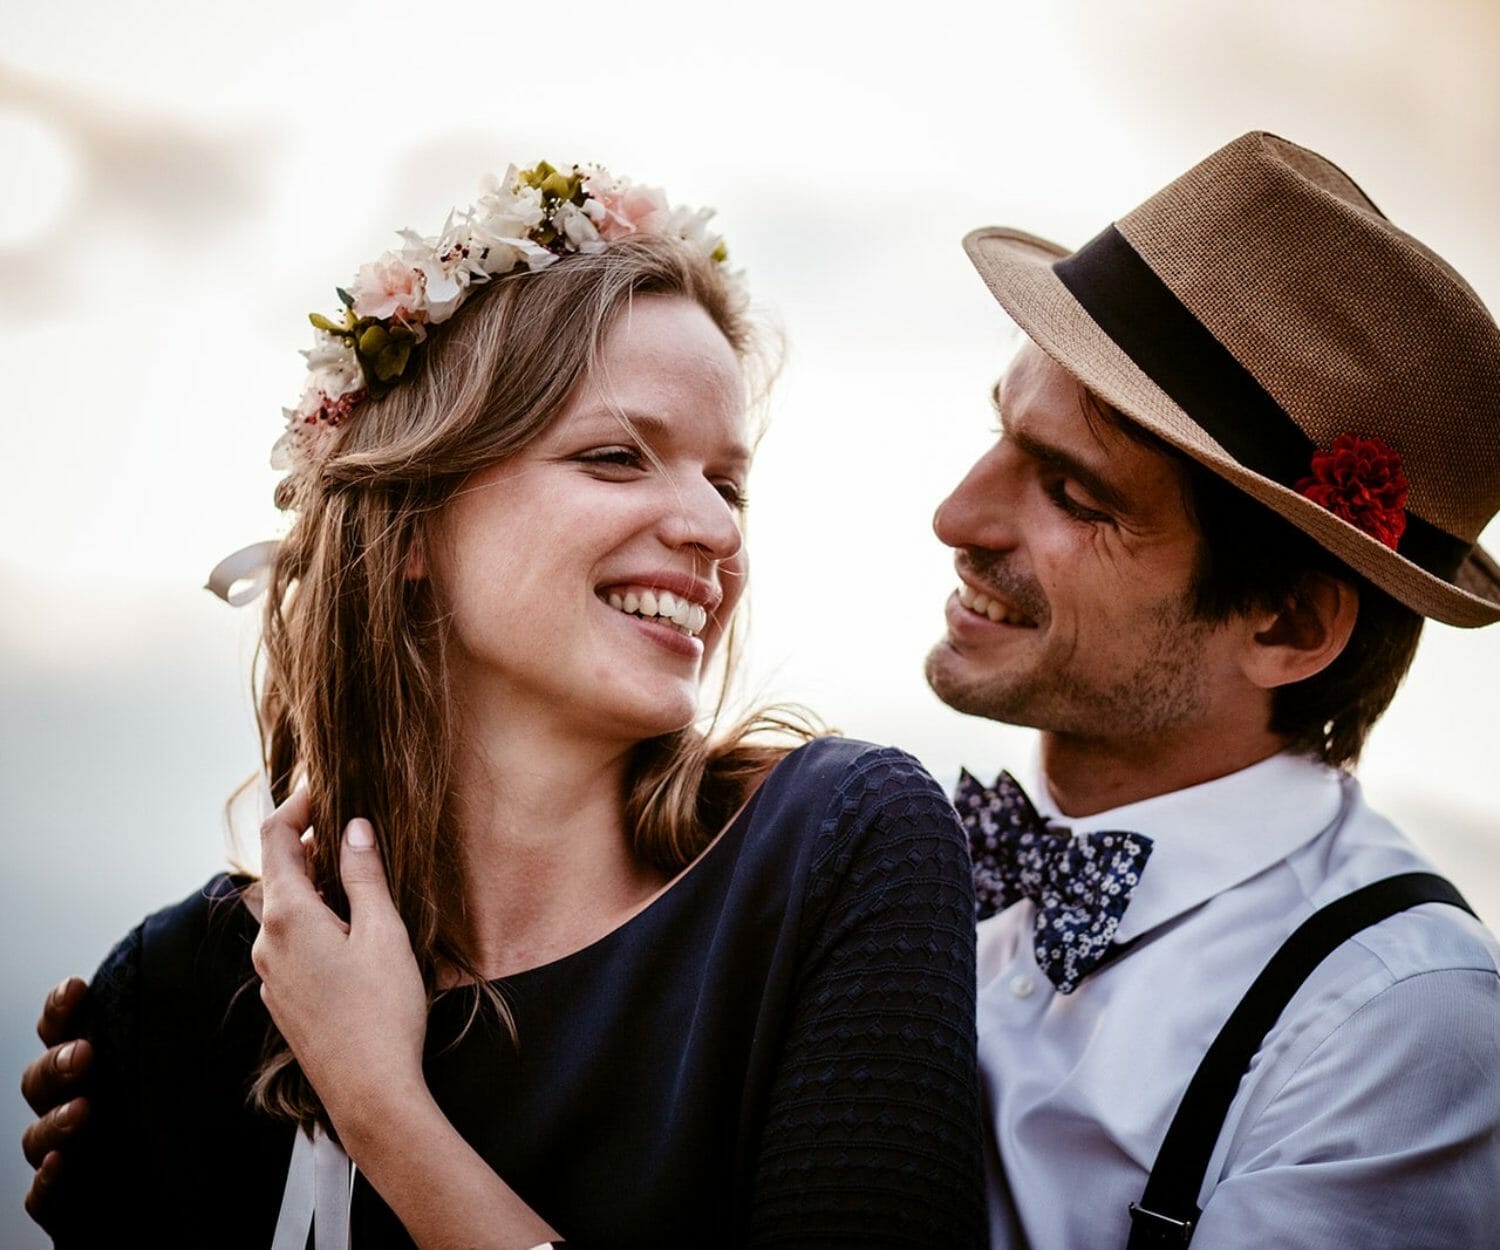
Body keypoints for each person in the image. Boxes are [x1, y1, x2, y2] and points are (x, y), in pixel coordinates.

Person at [18, 161, 986, 1248]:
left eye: (728, 483)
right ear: (416, 519)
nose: (715, 530)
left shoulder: (836, 853)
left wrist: (379, 1103)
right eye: (619, 457)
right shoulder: (183, 986)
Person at [928, 131, 1500, 1247]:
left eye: (1071, 490)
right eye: (1000, 434)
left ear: (1286, 623)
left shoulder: (1398, 1022)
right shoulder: (894, 845)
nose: (958, 517)